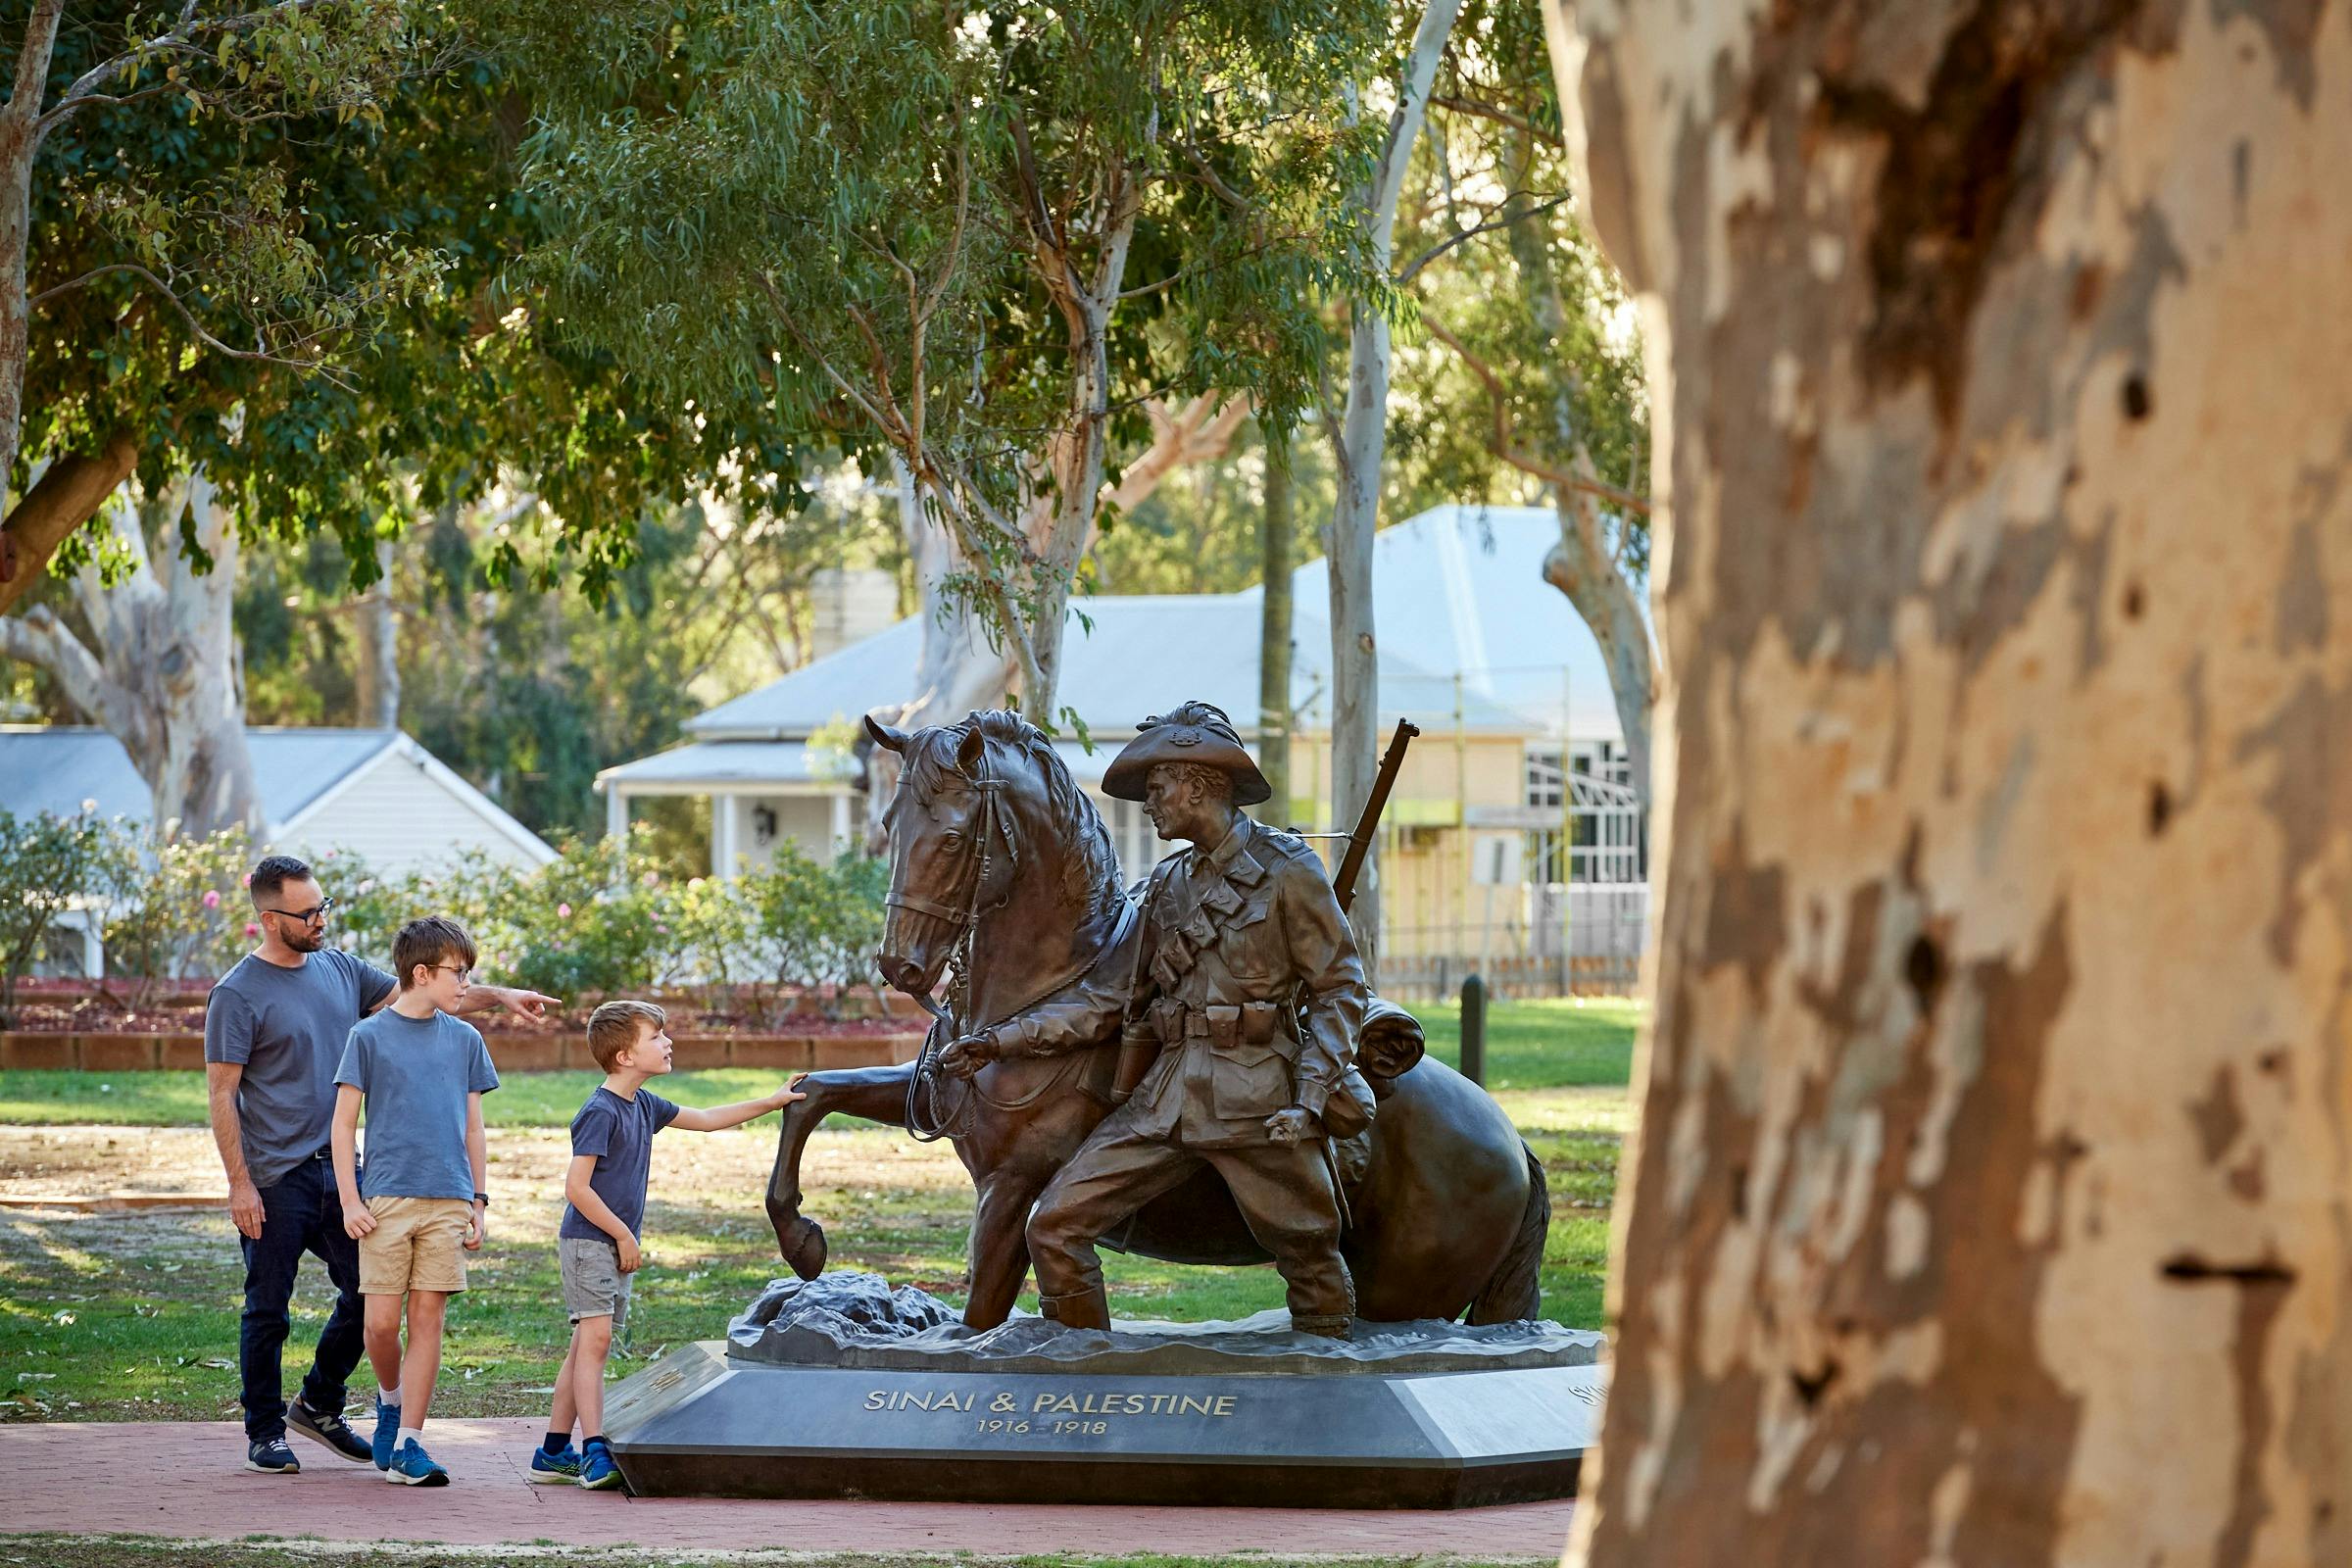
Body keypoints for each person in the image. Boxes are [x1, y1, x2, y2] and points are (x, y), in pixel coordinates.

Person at [939, 700, 1370, 1337]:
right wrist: (999, 1040)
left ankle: (1331, 1389)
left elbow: (1339, 989)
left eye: (1158, 786)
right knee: (1054, 1226)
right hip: (1167, 1100)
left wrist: (1309, 1097)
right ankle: (1088, 1386)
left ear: (1200, 784)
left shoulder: (1287, 872)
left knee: (1309, 1251)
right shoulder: (1169, 884)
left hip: (1258, 1099)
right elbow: (1109, 1001)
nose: (1149, 802)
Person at [203, 855, 556, 1475]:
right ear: (268, 917)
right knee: (268, 1307)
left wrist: (499, 997)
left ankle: (318, 1403)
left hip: (346, 1174)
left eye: (323, 906)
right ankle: (264, 1430)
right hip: (275, 1176)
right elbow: (221, 1093)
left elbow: (423, 1000)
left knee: (367, 1297)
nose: (320, 919)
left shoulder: (340, 970)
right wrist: (239, 1184)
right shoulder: (236, 994)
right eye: (307, 912)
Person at [539, 1000, 807, 1490]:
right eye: (656, 1038)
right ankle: (593, 1449)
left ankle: (552, 1451)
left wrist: (771, 1102)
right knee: (594, 1342)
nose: (668, 1043)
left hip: (612, 1243)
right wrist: (622, 1234)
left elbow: (705, 1117)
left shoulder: (644, 1104)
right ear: (624, 1056)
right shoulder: (600, 1111)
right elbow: (577, 1188)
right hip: (589, 1242)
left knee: (586, 1345)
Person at [330, 916, 500, 1486]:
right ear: (421, 973)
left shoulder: (467, 1040)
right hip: (383, 1203)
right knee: (379, 1325)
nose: (466, 984)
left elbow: (475, 1128)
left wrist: (478, 1200)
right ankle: (389, 1397)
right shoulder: (368, 1037)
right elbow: (343, 1126)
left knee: (428, 1319)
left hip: (449, 1200)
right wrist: (351, 1201)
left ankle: (410, 1442)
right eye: (459, 973)